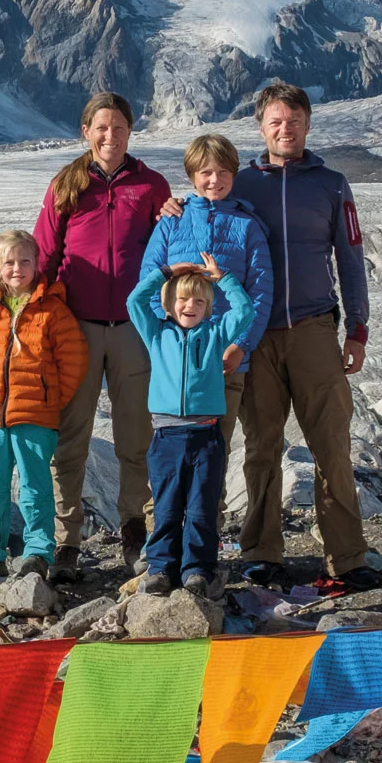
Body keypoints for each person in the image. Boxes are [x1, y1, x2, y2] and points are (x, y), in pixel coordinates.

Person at [231, 82, 382, 593]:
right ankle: (260, 553)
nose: (285, 129)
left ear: (308, 125)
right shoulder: (239, 185)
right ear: (261, 127)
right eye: (275, 121)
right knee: (261, 447)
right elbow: (203, 231)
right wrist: (171, 211)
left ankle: (346, 557)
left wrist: (357, 328)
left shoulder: (332, 184)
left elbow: (351, 258)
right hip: (256, 333)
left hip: (315, 329)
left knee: (332, 447)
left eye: (294, 120)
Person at [33, 91, 172, 584]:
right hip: (78, 329)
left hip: (135, 328)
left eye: (118, 127)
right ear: (85, 132)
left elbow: (172, 250)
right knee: (71, 438)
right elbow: (45, 258)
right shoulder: (66, 185)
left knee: (136, 436)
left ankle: (136, 531)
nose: (109, 136)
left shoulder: (151, 185)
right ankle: (66, 541)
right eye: (101, 128)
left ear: (131, 131)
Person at [125, 253, 253, 596]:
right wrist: (165, 272)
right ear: (169, 303)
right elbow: (134, 300)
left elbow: (245, 312)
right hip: (166, 437)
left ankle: (198, 567)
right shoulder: (156, 333)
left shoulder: (214, 333)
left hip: (205, 435)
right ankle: (161, 567)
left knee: (201, 507)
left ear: (209, 306)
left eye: (199, 300)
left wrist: (222, 278)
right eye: (182, 298)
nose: (190, 306)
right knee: (166, 507)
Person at [0, 229, 89, 584]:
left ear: (37, 264)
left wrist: (49, 398)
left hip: (36, 415)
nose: (17, 268)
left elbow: (73, 361)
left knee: (35, 486)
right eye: (9, 262)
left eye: (25, 261)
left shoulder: (52, 310)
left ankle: (38, 551)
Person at [139, 133, 274, 456]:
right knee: (168, 449)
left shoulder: (247, 225)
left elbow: (261, 290)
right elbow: (150, 279)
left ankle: (211, 509)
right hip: (175, 362)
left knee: (215, 452)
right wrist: (167, 334)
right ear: (191, 176)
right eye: (206, 172)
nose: (215, 180)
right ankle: (166, 508)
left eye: (224, 172)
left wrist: (241, 344)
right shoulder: (172, 221)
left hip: (225, 357)